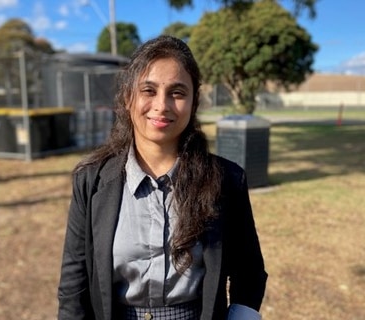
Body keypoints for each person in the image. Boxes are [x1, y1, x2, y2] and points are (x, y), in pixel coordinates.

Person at [57, 34, 267, 320]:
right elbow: (73, 282)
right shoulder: (90, 181)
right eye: (149, 90)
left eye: (177, 93)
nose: (162, 105)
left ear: (193, 103)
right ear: (128, 97)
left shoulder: (227, 180)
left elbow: (249, 271)